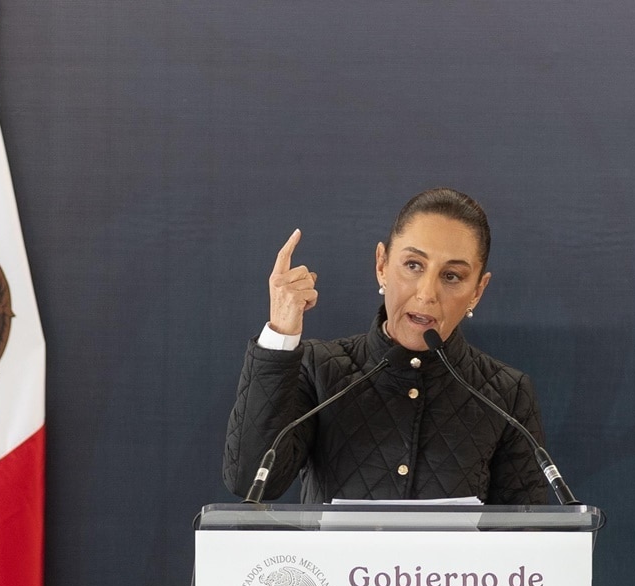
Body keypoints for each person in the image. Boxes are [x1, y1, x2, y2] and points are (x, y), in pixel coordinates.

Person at [222, 187, 549, 504]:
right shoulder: (319, 368)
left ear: (477, 290)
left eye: (451, 276)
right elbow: (250, 480)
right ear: (382, 265)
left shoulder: (506, 394)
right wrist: (280, 332)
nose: (426, 293)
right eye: (413, 265)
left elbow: (527, 536)